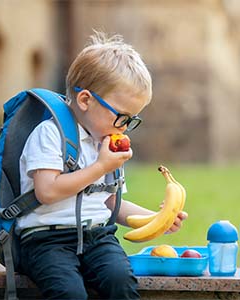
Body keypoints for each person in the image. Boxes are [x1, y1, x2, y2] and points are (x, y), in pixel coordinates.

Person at [16, 31, 188, 299]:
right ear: (85, 100)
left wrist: (159, 219)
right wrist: (100, 167)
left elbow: (109, 203)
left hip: (97, 237)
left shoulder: (105, 143)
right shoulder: (50, 135)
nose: (124, 127)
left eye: (131, 120)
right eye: (121, 117)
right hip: (46, 241)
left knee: (121, 281)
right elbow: (46, 191)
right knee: (69, 293)